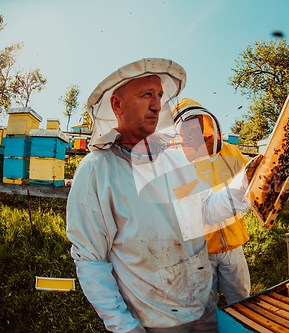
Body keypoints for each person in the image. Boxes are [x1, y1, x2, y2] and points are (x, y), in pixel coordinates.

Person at [66, 58, 261, 333]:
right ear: (117, 104)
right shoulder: (97, 170)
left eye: (159, 95)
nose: (157, 104)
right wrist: (123, 326)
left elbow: (205, 212)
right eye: (146, 94)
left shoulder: (174, 159)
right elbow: (91, 259)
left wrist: (246, 183)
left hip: (203, 308)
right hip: (155, 321)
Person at [172, 98, 251, 306]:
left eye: (196, 124)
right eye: (186, 126)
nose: (192, 130)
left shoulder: (228, 152)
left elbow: (250, 180)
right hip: (199, 251)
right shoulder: (174, 164)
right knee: (206, 305)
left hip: (232, 243)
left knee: (241, 297)